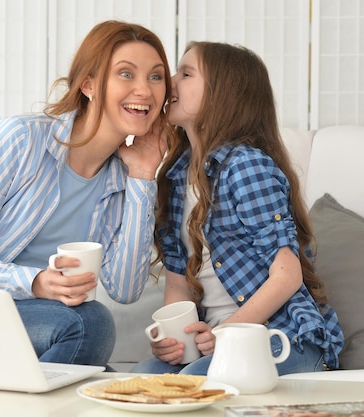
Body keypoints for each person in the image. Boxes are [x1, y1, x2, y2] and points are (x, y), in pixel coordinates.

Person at [0, 20, 172, 368]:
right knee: (88, 324)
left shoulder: (122, 179)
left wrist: (143, 176)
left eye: (156, 77)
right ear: (89, 85)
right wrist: (33, 282)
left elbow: (125, 289)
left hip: (26, 324)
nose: (144, 90)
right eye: (126, 74)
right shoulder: (22, 140)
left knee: (104, 381)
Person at [131, 41, 344, 375]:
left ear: (223, 94)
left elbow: (286, 276)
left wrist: (225, 334)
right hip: (220, 341)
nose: (169, 82)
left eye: (186, 74)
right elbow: (177, 285)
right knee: (144, 376)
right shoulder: (175, 176)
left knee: (193, 382)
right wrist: (177, 338)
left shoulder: (245, 167)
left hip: (283, 338)